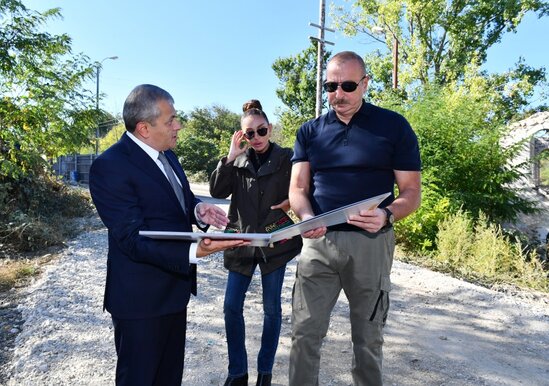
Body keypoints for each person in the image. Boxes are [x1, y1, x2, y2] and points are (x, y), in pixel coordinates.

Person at [89, 84, 248, 386]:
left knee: (168, 378)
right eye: (171, 120)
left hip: (174, 293)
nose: (178, 126)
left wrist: (198, 211)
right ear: (144, 128)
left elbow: (181, 200)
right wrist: (194, 252)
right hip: (139, 302)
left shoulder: (168, 155)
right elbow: (131, 238)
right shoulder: (109, 167)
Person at [288, 51, 422, 385]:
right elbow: (298, 187)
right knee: (304, 333)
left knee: (368, 338)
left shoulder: (393, 126)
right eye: (330, 86)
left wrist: (387, 215)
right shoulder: (310, 132)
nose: (338, 94)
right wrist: (306, 217)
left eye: (348, 85)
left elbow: (411, 192)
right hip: (318, 243)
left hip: (372, 244)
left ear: (365, 83)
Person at [210, 100, 302, 386]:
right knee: (230, 306)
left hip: (275, 240)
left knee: (272, 310)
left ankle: (265, 373)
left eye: (261, 131)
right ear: (241, 136)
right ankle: (237, 372)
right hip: (240, 240)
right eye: (249, 134)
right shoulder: (235, 161)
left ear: (270, 128)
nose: (257, 138)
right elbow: (217, 191)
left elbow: (304, 187)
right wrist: (229, 156)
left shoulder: (288, 157)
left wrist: (292, 201)